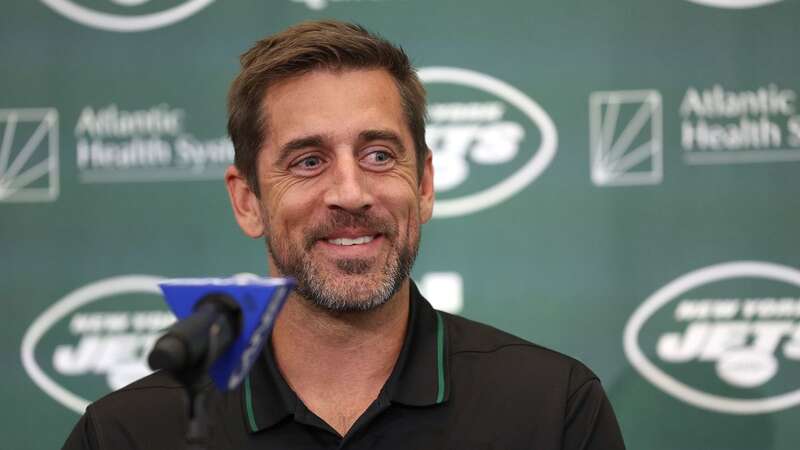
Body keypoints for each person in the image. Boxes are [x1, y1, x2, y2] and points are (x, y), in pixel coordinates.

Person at [63, 20, 625, 450]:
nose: (351, 193)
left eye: (379, 154)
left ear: (424, 183)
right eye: (308, 161)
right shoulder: (129, 434)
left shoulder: (552, 409)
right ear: (247, 200)